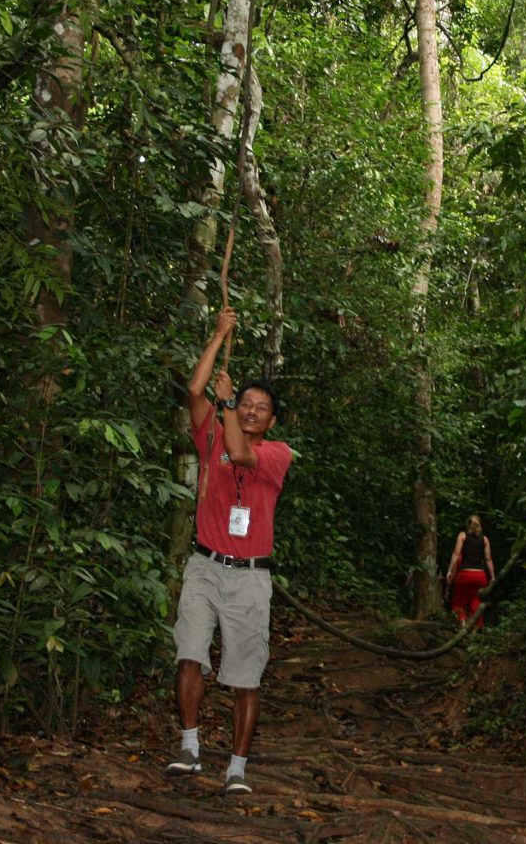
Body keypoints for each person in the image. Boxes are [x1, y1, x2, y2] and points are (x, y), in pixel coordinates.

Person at [167, 306, 292, 794]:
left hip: (250, 577)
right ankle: (191, 746)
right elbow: (195, 390)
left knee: (245, 675)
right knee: (190, 654)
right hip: (205, 565)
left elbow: (241, 454)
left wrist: (226, 408)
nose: (251, 409)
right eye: (246, 403)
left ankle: (236, 768)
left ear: (272, 419)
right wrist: (219, 335)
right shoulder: (212, 432)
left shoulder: (275, 453)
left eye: (261, 407)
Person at [445, 515, 495, 626]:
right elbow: (488, 559)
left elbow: (456, 554)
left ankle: (462, 622)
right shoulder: (485, 539)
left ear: (468, 525)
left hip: (465, 575)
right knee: (476, 604)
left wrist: (449, 570)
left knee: (458, 603)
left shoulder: (462, 536)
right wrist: (492, 576)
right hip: (480, 576)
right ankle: (476, 630)